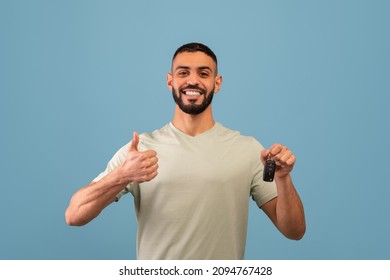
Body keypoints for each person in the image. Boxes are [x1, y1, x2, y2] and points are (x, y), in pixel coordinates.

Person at [65, 42, 306, 260]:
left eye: (203, 73)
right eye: (183, 73)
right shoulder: (141, 150)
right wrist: (122, 176)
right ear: (170, 81)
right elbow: (74, 215)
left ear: (217, 83)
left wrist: (283, 179)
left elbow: (294, 231)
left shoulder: (247, 149)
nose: (193, 81)